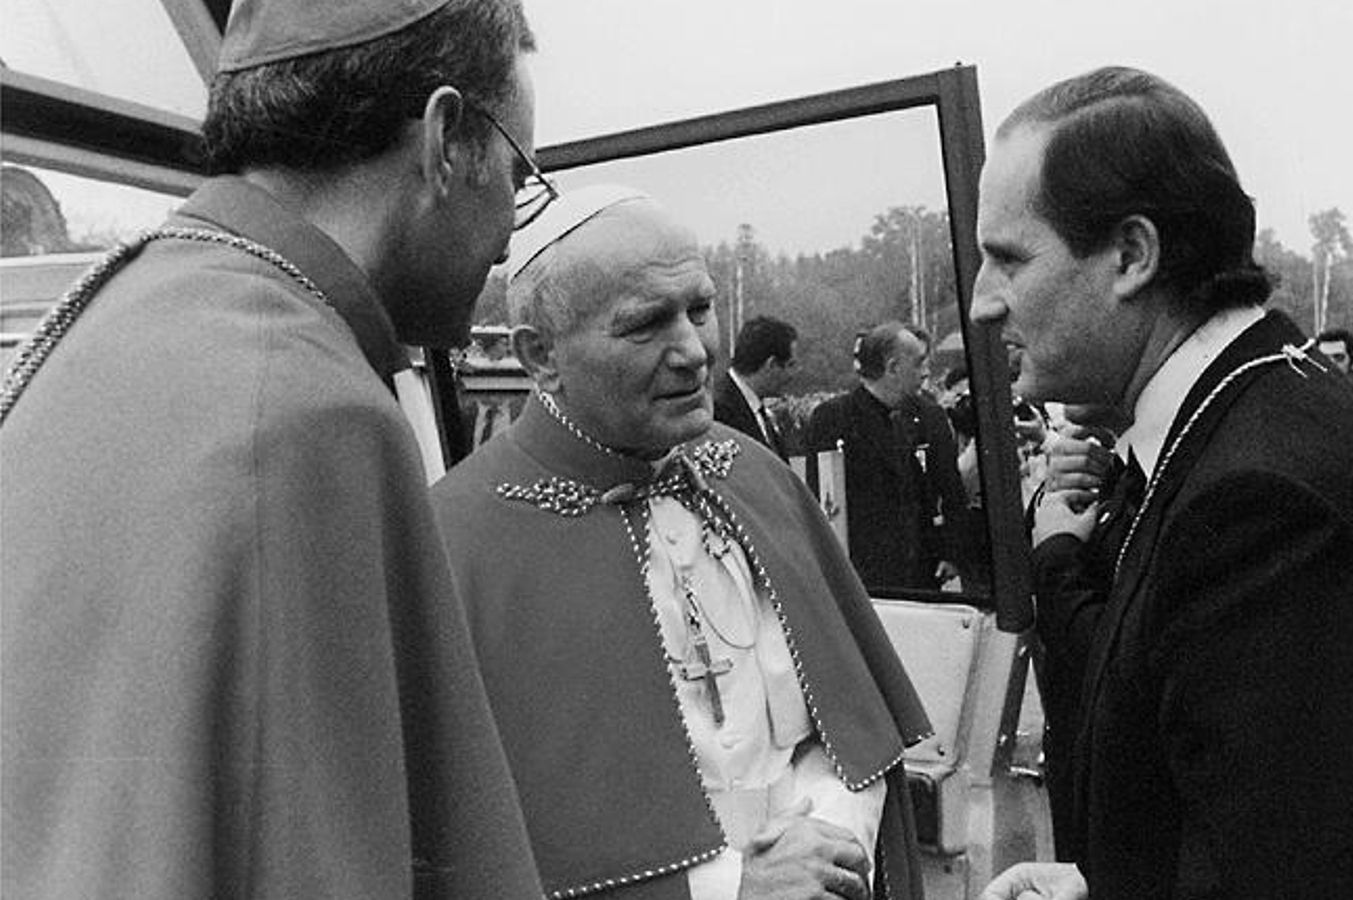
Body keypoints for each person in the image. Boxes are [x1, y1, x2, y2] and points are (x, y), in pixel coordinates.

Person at [0, 3, 545, 898]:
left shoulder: (115, 314)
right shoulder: (310, 411)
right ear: (446, 138)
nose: (510, 230)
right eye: (521, 174)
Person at [971, 67, 1353, 898]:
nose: (982, 303)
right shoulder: (1261, 411)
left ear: (1132, 256)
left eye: (1007, 259)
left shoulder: (1259, 502)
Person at [430, 186, 930, 900]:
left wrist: (834, 838)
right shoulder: (455, 539)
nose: (694, 352)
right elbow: (475, 850)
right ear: (541, 356)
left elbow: (847, 724)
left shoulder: (756, 475)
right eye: (646, 325)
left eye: (700, 308)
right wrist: (733, 888)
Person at [804, 322, 973, 592]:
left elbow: (950, 488)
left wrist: (952, 552)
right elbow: (823, 501)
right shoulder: (834, 419)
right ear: (893, 368)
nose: (926, 373)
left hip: (922, 571)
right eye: (918, 364)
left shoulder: (929, 417)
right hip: (863, 577)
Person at [714, 314, 798, 453]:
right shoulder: (719, 413)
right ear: (771, 364)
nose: (792, 375)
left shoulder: (760, 413)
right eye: (790, 365)